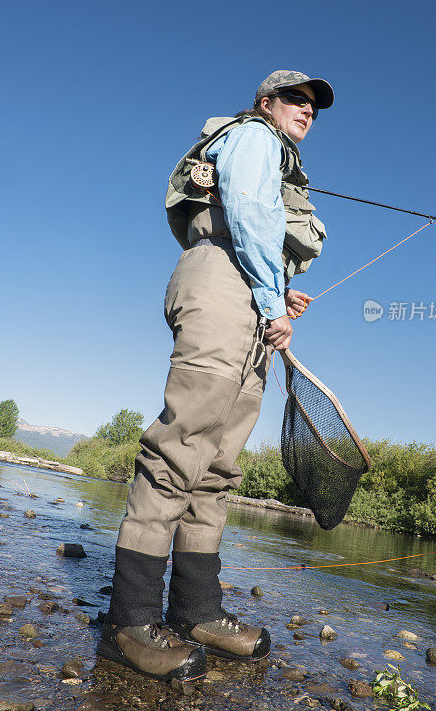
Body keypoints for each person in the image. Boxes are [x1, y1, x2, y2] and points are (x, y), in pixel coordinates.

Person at [97, 70, 334, 682]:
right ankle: (128, 623)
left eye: (313, 106)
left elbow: (255, 225)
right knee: (180, 452)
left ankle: (197, 610)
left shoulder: (272, 148)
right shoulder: (253, 136)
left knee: (218, 467)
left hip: (249, 297)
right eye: (296, 100)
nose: (306, 111)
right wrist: (272, 295)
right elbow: (252, 211)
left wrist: (279, 293)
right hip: (226, 286)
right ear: (267, 103)